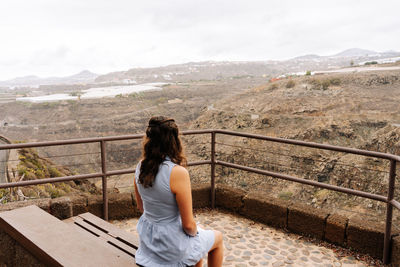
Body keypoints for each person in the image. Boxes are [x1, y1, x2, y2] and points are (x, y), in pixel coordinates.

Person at [134, 116, 223, 267]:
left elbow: (141, 208)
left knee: (197, 243)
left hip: (150, 247)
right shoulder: (177, 173)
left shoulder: (140, 167)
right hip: (170, 250)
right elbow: (188, 225)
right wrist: (195, 233)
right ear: (174, 141)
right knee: (217, 238)